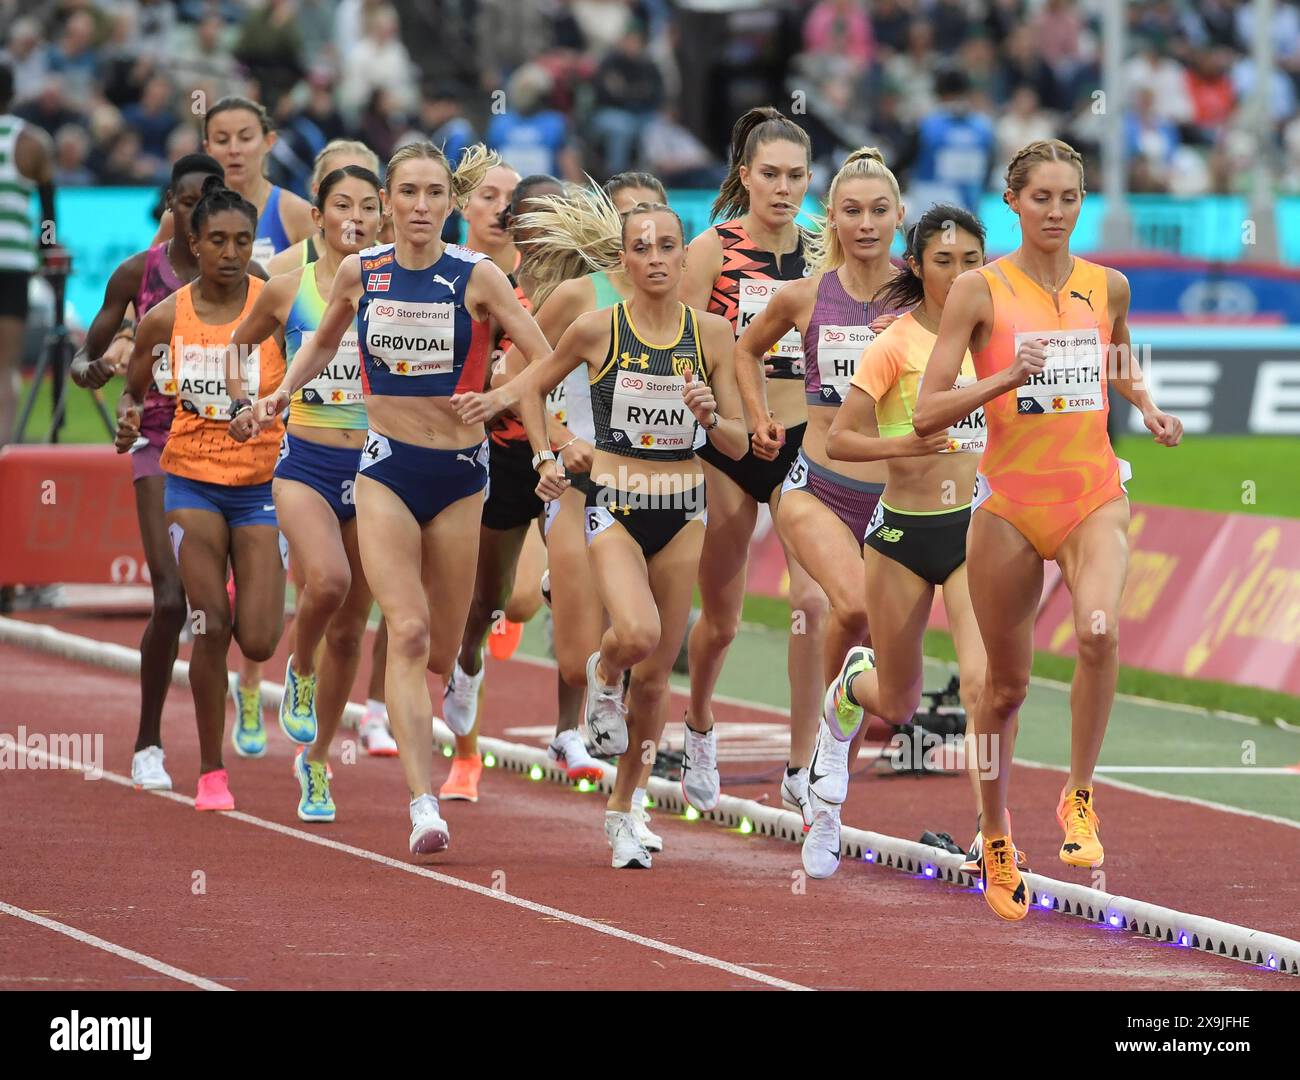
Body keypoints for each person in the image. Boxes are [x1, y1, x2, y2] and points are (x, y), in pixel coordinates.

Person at [249, 142, 550, 858]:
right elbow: (321, 344)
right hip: (383, 470)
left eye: (433, 194)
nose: (420, 207)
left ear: (450, 203)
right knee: (406, 632)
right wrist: (280, 395)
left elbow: (546, 355)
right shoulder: (362, 272)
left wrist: (501, 394)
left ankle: (434, 704)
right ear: (387, 201)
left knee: (440, 647)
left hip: (459, 480)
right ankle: (422, 807)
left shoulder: (476, 278)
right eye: (407, 192)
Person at [913, 139, 1183, 919]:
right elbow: (929, 411)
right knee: (1003, 686)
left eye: (1070, 198)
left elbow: (1120, 360)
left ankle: (1079, 795)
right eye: (1042, 198)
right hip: (1008, 508)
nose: (1057, 212)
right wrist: (1003, 378)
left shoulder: (1110, 286)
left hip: (1092, 492)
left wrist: (1146, 405)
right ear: (1012, 202)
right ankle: (996, 836)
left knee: (1098, 632)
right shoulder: (976, 291)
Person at [451, 202, 749, 868]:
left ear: (682, 256)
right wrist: (543, 455)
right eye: (641, 247)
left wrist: (710, 415)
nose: (655, 258)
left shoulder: (712, 336)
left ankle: (625, 809)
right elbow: (528, 384)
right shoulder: (594, 329)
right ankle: (601, 670)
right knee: (636, 638)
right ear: (625, 258)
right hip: (613, 505)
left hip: (684, 510)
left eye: (667, 246)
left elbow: (735, 439)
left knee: (655, 683)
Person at [812, 203, 991, 879]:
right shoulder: (894, 342)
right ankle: (849, 685)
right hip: (901, 534)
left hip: (974, 530)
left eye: (971, 260)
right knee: (899, 701)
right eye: (943, 261)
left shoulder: (994, 341)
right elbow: (840, 439)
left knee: (984, 685)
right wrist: (908, 440)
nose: (959, 273)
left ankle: (989, 834)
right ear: (916, 266)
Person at [732, 147, 903, 824]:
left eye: (879, 211)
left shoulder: (923, 298)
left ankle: (829, 760)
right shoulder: (804, 296)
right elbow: (745, 350)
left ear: (899, 217)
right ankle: (830, 733)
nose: (866, 224)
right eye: (852, 211)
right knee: (852, 606)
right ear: (830, 217)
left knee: (892, 651)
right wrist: (757, 417)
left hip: (900, 499)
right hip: (821, 485)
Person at [507, 171, 668, 848]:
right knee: (579, 661)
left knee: (651, 661)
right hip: (583, 489)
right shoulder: (578, 297)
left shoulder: (685, 306)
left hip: (664, 495)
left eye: (659, 232)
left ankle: (630, 808)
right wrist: (557, 447)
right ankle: (587, 661)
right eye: (632, 228)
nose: (647, 245)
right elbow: (518, 376)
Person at [116, 177, 287, 812]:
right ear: (195, 242)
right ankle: (212, 772)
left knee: (263, 640)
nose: (231, 252)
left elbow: (312, 362)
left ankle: (250, 579)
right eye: (217, 240)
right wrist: (129, 415)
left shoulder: (275, 308)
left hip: (262, 484)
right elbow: (134, 388)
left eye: (242, 240)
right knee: (208, 621)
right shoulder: (167, 315)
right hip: (190, 478)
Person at [227, 164, 387, 821]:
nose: (354, 217)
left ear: (381, 219)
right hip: (308, 463)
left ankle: (316, 760)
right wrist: (246, 400)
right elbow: (238, 345)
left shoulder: (399, 293)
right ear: (316, 216)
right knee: (326, 582)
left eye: (367, 207)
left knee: (351, 631)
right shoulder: (288, 288)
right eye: (341, 204)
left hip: (380, 471)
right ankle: (297, 668)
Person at [679, 106, 822, 815]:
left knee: (811, 604)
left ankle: (802, 763)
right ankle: (700, 722)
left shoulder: (825, 254)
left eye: (797, 176)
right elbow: (668, 344)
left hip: (803, 443)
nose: (784, 188)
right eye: (770, 174)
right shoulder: (711, 249)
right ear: (745, 176)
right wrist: (727, 416)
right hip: (730, 445)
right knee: (725, 616)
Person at [71, 152, 225, 791]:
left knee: (225, 614)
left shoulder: (242, 279)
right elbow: (81, 362)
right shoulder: (138, 274)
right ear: (169, 202)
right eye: (184, 201)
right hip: (159, 444)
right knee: (170, 599)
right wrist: (99, 370)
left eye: (206, 201)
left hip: (227, 448)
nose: (193, 212)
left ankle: (218, 739)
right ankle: (148, 742)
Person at [439, 172, 566, 805]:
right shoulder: (493, 288)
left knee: (521, 603)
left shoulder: (583, 292)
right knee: (486, 601)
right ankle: (465, 689)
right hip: (499, 455)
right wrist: (486, 383)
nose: (539, 231)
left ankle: (574, 728)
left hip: (558, 463)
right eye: (528, 220)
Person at [0, 62, 55, 446]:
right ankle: (4, 447)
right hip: (13, 266)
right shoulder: (31, 142)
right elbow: (48, 212)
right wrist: (47, 248)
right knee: (5, 367)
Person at [267, 140, 383, 275]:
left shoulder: (398, 266)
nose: (355, 215)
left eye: (363, 178)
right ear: (317, 192)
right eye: (338, 178)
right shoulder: (283, 268)